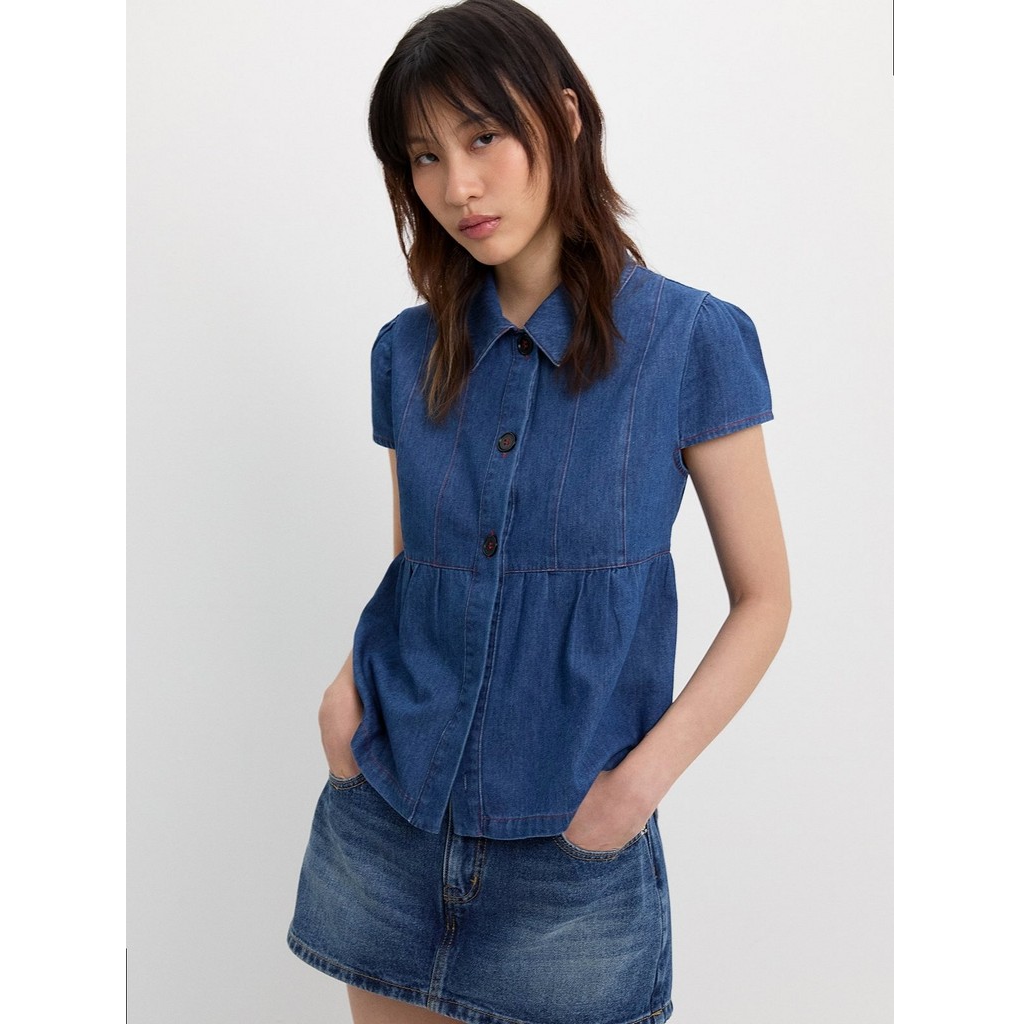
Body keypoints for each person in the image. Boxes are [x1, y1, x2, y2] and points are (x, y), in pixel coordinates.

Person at [287, 1, 791, 1022]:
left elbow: (765, 599)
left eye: (483, 137)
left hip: (570, 854)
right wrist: (344, 700)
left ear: (561, 118)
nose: (457, 188)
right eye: (425, 157)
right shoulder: (407, 351)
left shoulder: (689, 340)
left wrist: (636, 788)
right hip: (389, 818)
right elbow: (419, 566)